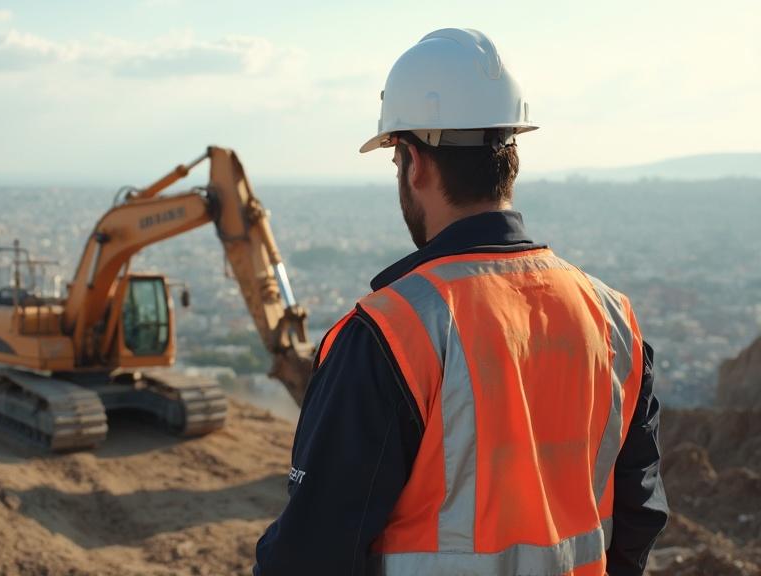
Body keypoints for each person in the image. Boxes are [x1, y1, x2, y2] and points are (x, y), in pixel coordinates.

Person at [254, 28, 667, 576]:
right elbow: (638, 515)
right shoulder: (612, 320)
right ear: (509, 160)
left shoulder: (391, 334)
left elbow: (309, 554)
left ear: (413, 162)